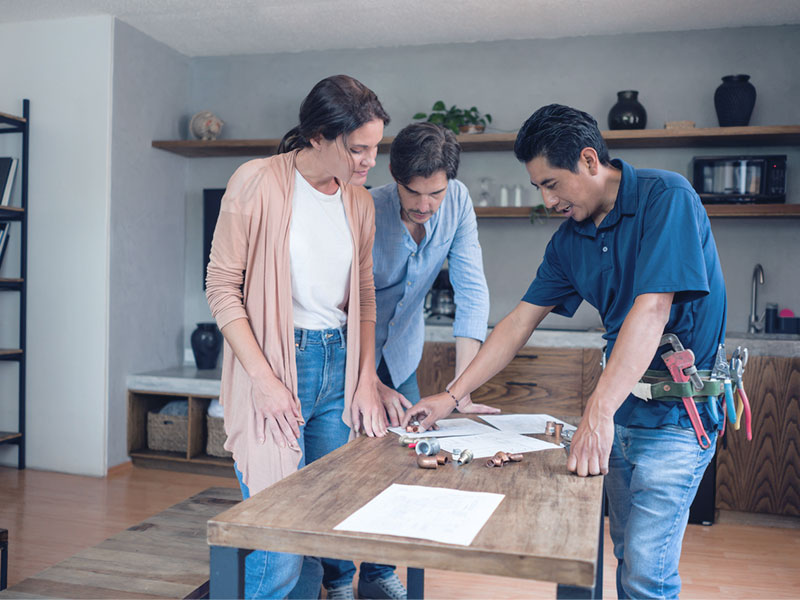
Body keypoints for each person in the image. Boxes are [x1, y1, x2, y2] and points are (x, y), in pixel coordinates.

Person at [402, 104, 726, 599]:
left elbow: (653, 309)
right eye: (538, 188)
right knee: (622, 551)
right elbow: (517, 324)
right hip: (623, 412)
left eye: (552, 183)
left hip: (679, 418)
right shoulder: (569, 241)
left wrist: (596, 411)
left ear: (590, 160)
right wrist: (451, 396)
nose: (547, 199)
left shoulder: (666, 198)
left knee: (646, 573)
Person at [206, 74, 391, 600]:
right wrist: (263, 380)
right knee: (279, 533)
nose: (369, 161)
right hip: (278, 363)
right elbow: (221, 287)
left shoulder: (359, 203)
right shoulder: (256, 181)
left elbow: (364, 297)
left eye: (375, 148)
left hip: (339, 364)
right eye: (358, 149)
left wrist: (364, 382)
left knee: (328, 516)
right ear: (316, 136)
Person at [340, 122, 496, 600]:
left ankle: (378, 573)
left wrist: (463, 388)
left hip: (402, 356)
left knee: (406, 465)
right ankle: (335, 577)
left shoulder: (460, 202)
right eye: (415, 192)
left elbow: (471, 292)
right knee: (345, 466)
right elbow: (348, 301)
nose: (426, 205)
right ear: (394, 175)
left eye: (436, 193)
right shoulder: (364, 204)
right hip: (349, 356)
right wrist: (367, 378)